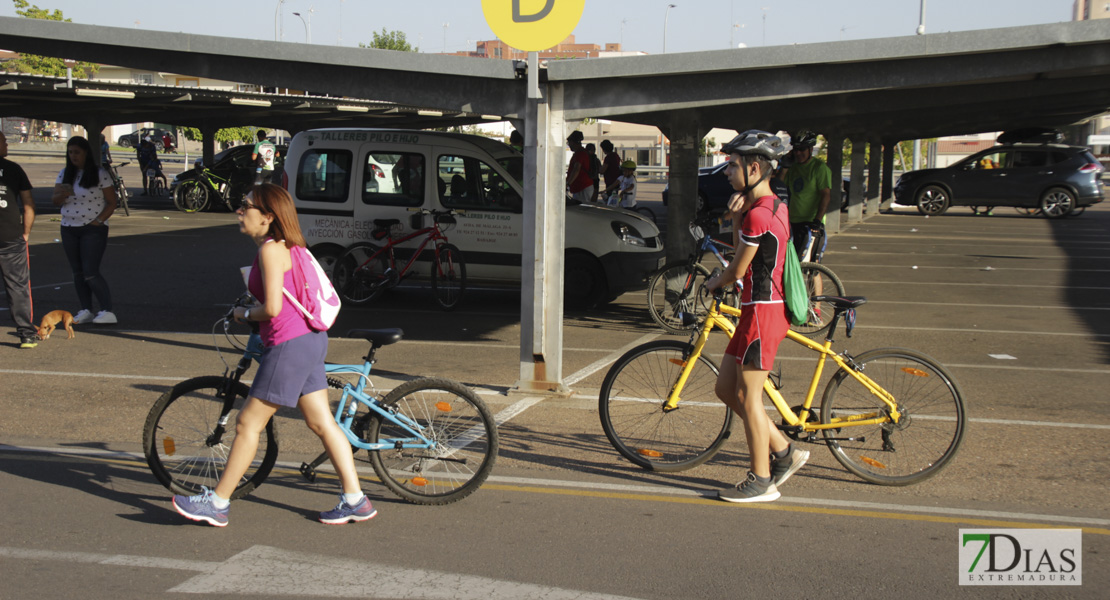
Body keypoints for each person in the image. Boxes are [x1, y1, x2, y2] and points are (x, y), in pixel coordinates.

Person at [172, 184, 376, 527]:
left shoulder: (269, 250)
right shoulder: (291, 246)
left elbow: (272, 308)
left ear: (268, 217)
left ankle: (217, 504)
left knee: (248, 423)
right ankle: (355, 499)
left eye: (245, 205)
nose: (240, 210)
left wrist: (244, 316)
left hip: (289, 344)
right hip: (311, 339)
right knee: (321, 422)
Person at [705, 131, 809, 503]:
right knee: (724, 389)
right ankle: (785, 451)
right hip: (756, 311)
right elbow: (743, 254)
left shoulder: (759, 215)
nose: (727, 172)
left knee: (750, 398)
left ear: (754, 168)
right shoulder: (768, 209)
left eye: (733, 166)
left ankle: (761, 479)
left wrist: (713, 284)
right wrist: (735, 217)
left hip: (763, 314)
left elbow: (735, 270)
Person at [53, 136, 118, 325]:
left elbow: (112, 202)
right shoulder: (65, 173)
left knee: (91, 271)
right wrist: (61, 195)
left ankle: (107, 310)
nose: (73, 156)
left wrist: (98, 221)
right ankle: (86, 309)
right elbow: (55, 200)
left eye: (77, 152)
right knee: (78, 272)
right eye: (70, 152)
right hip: (68, 227)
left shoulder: (99, 174)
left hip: (92, 229)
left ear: (86, 153)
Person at [0, 132, 38, 348]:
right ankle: (26, 333)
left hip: (10, 238)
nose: (7, 144)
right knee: (18, 286)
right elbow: (28, 204)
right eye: (4, 141)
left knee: (17, 286)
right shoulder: (14, 169)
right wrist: (25, 233)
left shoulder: (14, 168)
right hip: (11, 237)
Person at [783, 131, 832, 262]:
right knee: (791, 264)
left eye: (802, 149)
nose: (798, 153)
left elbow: (826, 195)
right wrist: (785, 165)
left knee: (811, 268)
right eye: (795, 149)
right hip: (793, 222)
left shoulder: (819, 168)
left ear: (810, 149)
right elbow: (779, 184)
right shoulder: (793, 167)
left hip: (811, 222)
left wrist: (818, 220)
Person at [565, 130, 593, 203]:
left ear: (573, 142)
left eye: (569, 142)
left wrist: (568, 184)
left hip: (582, 187)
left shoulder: (580, 153)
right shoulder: (580, 152)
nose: (569, 145)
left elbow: (576, 169)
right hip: (580, 187)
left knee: (582, 210)